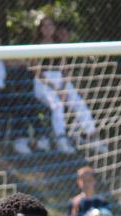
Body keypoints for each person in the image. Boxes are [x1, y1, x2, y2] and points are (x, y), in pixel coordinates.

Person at [31, 15, 102, 155]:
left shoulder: (59, 44)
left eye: (50, 25)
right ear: (40, 29)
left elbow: (65, 69)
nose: (48, 28)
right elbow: (36, 70)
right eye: (44, 26)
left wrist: (63, 87)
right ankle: (61, 140)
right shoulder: (36, 45)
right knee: (57, 106)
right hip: (44, 83)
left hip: (61, 81)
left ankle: (93, 138)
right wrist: (55, 88)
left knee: (79, 103)